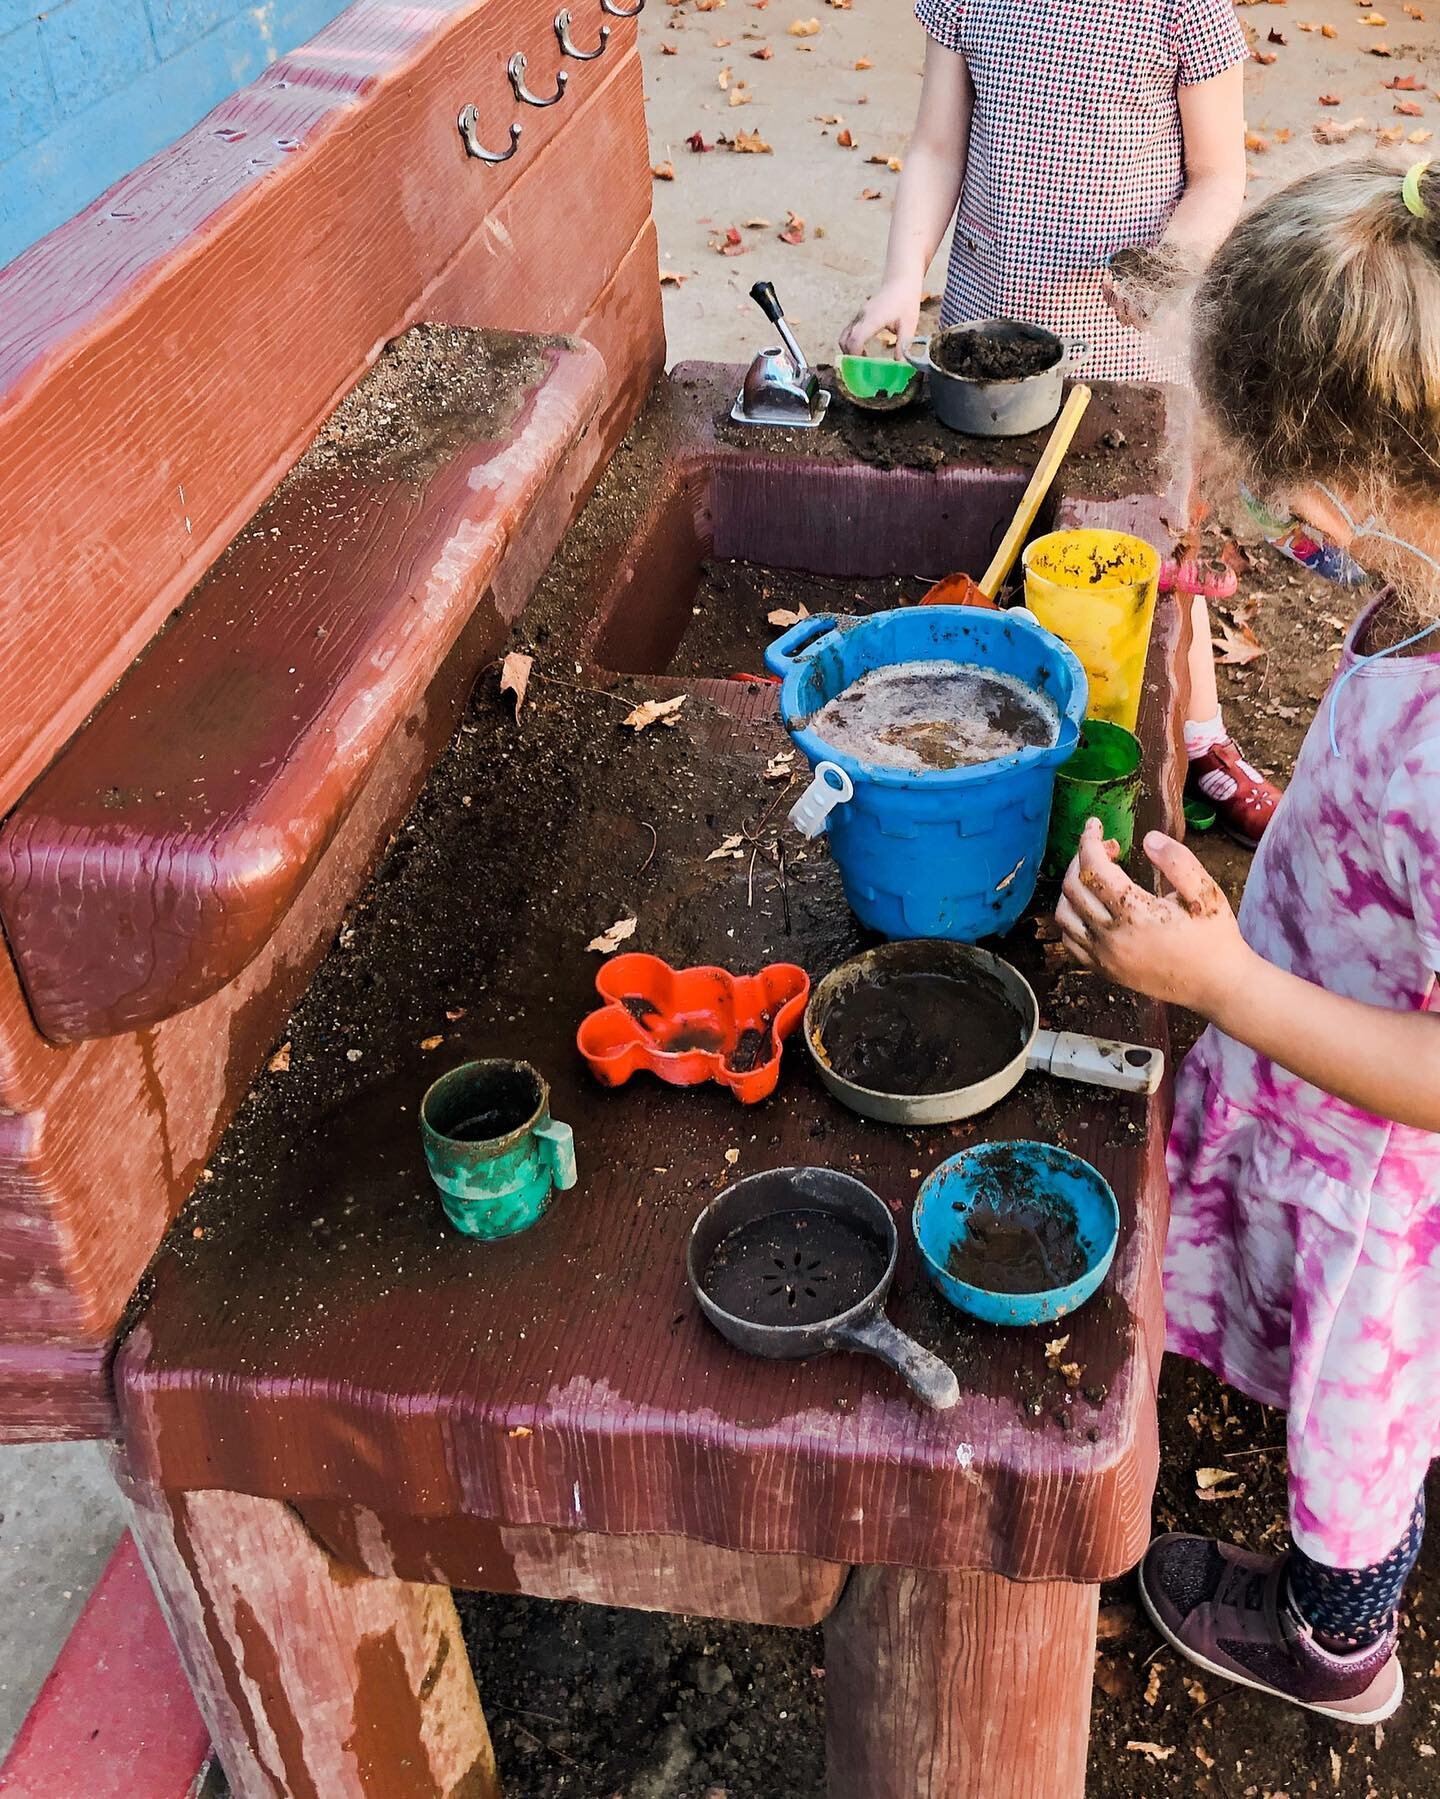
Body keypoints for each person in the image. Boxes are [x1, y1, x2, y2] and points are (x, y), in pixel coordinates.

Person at [1056, 157, 1440, 1722]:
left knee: (1367, 1413)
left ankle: (1338, 1637)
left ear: (1338, 492)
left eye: (1273, 488)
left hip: (1386, 1167)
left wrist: (1221, 979)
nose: (1271, 513)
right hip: (1320, 1047)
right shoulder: (1414, 589)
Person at [840, 0, 1282, 845]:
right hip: (989, 333)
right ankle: (998, 730)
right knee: (997, 535)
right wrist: (903, 276)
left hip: (1127, 346)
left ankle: (1197, 733)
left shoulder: (1184, 7)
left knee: (1149, 559)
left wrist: (1168, 260)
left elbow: (1219, 175)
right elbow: (938, 146)